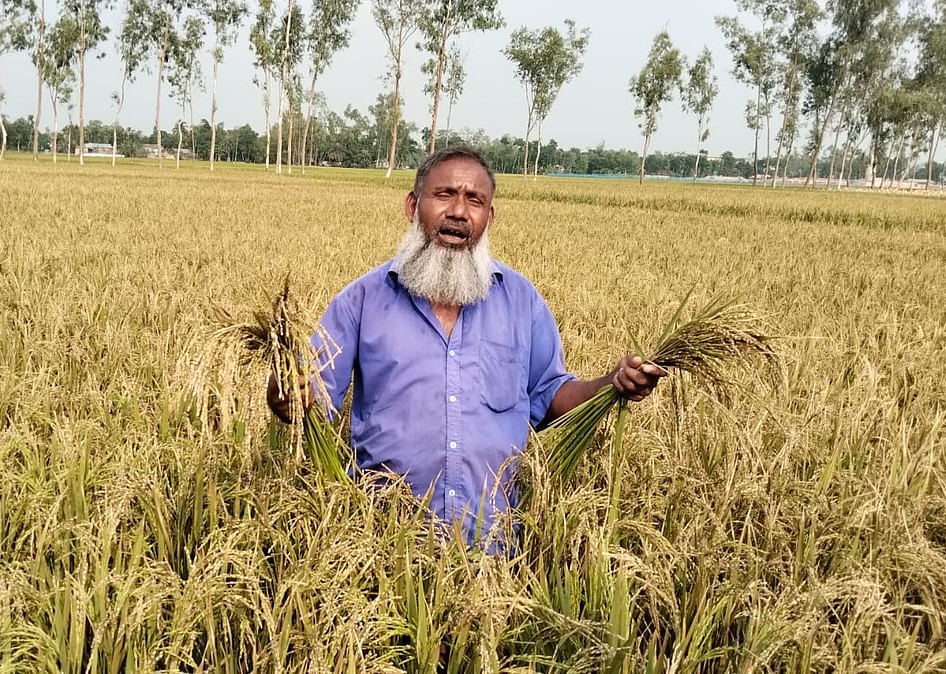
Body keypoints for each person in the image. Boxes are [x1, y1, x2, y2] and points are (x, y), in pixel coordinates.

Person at [267, 146, 664, 547]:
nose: (459, 211)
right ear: (412, 205)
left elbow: (550, 394)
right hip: (384, 542)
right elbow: (309, 393)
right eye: (444, 195)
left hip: (495, 547)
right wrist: (286, 394)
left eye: (475, 201)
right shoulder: (363, 300)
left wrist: (611, 384)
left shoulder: (520, 300)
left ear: (489, 218)